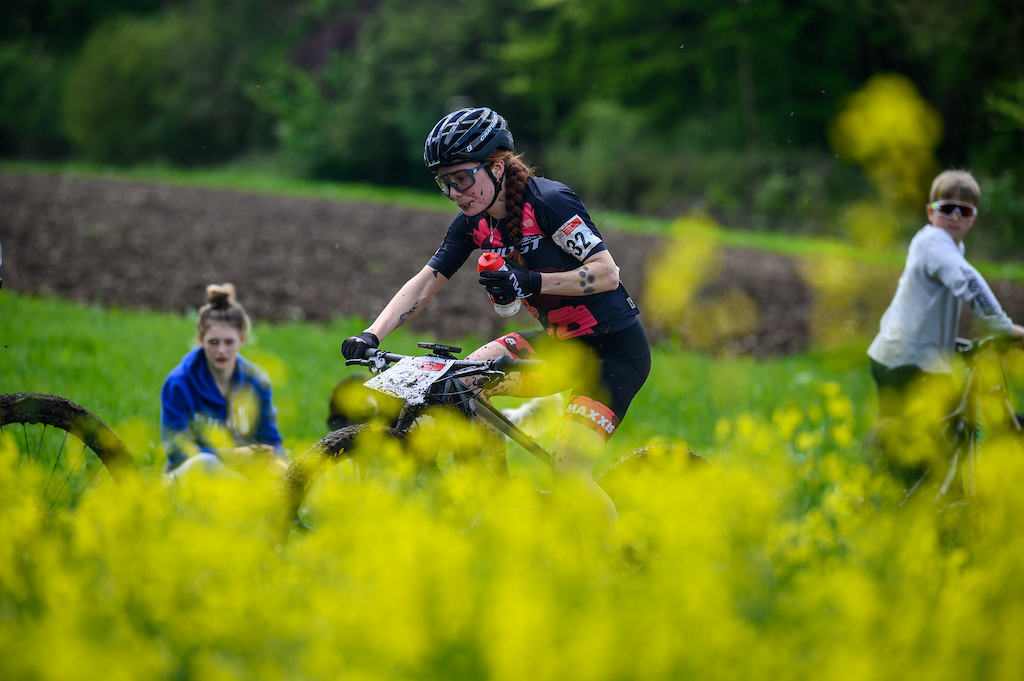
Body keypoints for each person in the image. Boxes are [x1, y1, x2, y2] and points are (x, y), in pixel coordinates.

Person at [341, 107, 651, 552]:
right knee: (460, 381)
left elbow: (606, 274)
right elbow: (427, 281)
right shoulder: (474, 221)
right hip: (561, 346)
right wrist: (373, 334)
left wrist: (529, 281)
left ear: (497, 166)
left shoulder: (550, 202)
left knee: (568, 470)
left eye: (462, 178)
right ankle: (496, 507)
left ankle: (620, 562)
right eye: (444, 182)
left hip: (614, 354)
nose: (454, 192)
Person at [867, 169, 1024, 477]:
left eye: (963, 211)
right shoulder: (934, 242)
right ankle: (929, 500)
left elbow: (925, 306)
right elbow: (969, 281)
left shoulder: (946, 247)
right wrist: (1006, 328)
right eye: (946, 208)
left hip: (895, 355)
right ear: (930, 212)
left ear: (972, 218)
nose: (954, 217)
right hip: (910, 362)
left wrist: (949, 343)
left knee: (908, 440)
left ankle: (888, 496)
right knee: (943, 434)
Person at [161, 283, 287, 480]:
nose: (221, 350)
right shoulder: (179, 382)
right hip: (187, 476)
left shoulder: (257, 381)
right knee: (205, 463)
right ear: (201, 339)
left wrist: (281, 464)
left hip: (238, 476)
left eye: (229, 342)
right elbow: (177, 449)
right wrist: (233, 456)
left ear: (242, 340)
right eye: (213, 342)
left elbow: (270, 438)